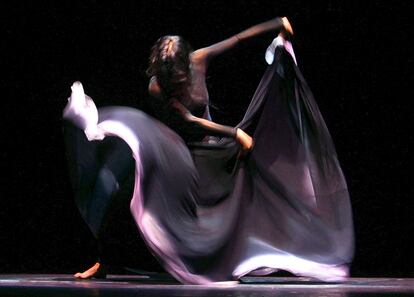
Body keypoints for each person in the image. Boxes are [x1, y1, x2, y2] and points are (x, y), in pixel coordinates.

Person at [64, 16, 354, 284]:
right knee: (126, 196)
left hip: (208, 148)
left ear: (187, 67)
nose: (174, 86)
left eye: (178, 80)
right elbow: (188, 121)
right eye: (169, 83)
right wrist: (235, 132)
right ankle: (104, 262)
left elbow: (239, 39)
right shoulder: (156, 88)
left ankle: (293, 249)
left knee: (255, 173)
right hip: (174, 150)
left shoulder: (199, 60)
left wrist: (277, 23)